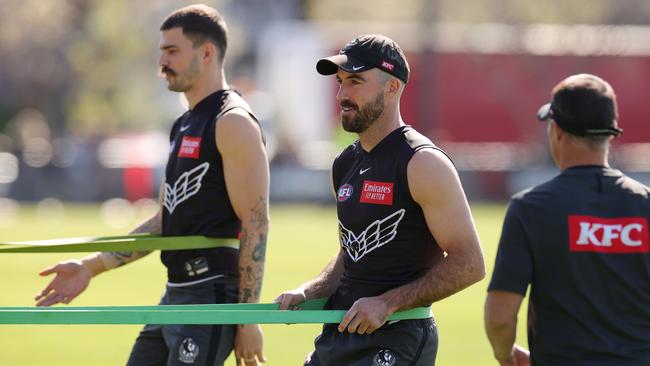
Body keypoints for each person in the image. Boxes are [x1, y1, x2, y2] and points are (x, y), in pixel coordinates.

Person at [34, 5, 269, 366]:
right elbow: (164, 220)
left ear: (207, 53)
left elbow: (256, 222)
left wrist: (248, 317)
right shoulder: (184, 124)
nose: (161, 61)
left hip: (210, 297)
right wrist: (90, 266)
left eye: (172, 50)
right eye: (161, 51)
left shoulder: (232, 122)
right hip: (175, 293)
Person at [275, 34, 486, 366]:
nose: (343, 94)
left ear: (392, 88)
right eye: (341, 82)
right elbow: (353, 251)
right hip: (338, 333)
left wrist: (387, 303)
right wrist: (311, 290)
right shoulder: (344, 163)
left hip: (397, 340)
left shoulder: (423, 162)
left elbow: (470, 264)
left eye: (356, 81)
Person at [485, 73, 650, 366]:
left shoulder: (530, 209)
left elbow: (500, 317)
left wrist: (507, 356)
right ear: (610, 134)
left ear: (557, 131)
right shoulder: (645, 204)